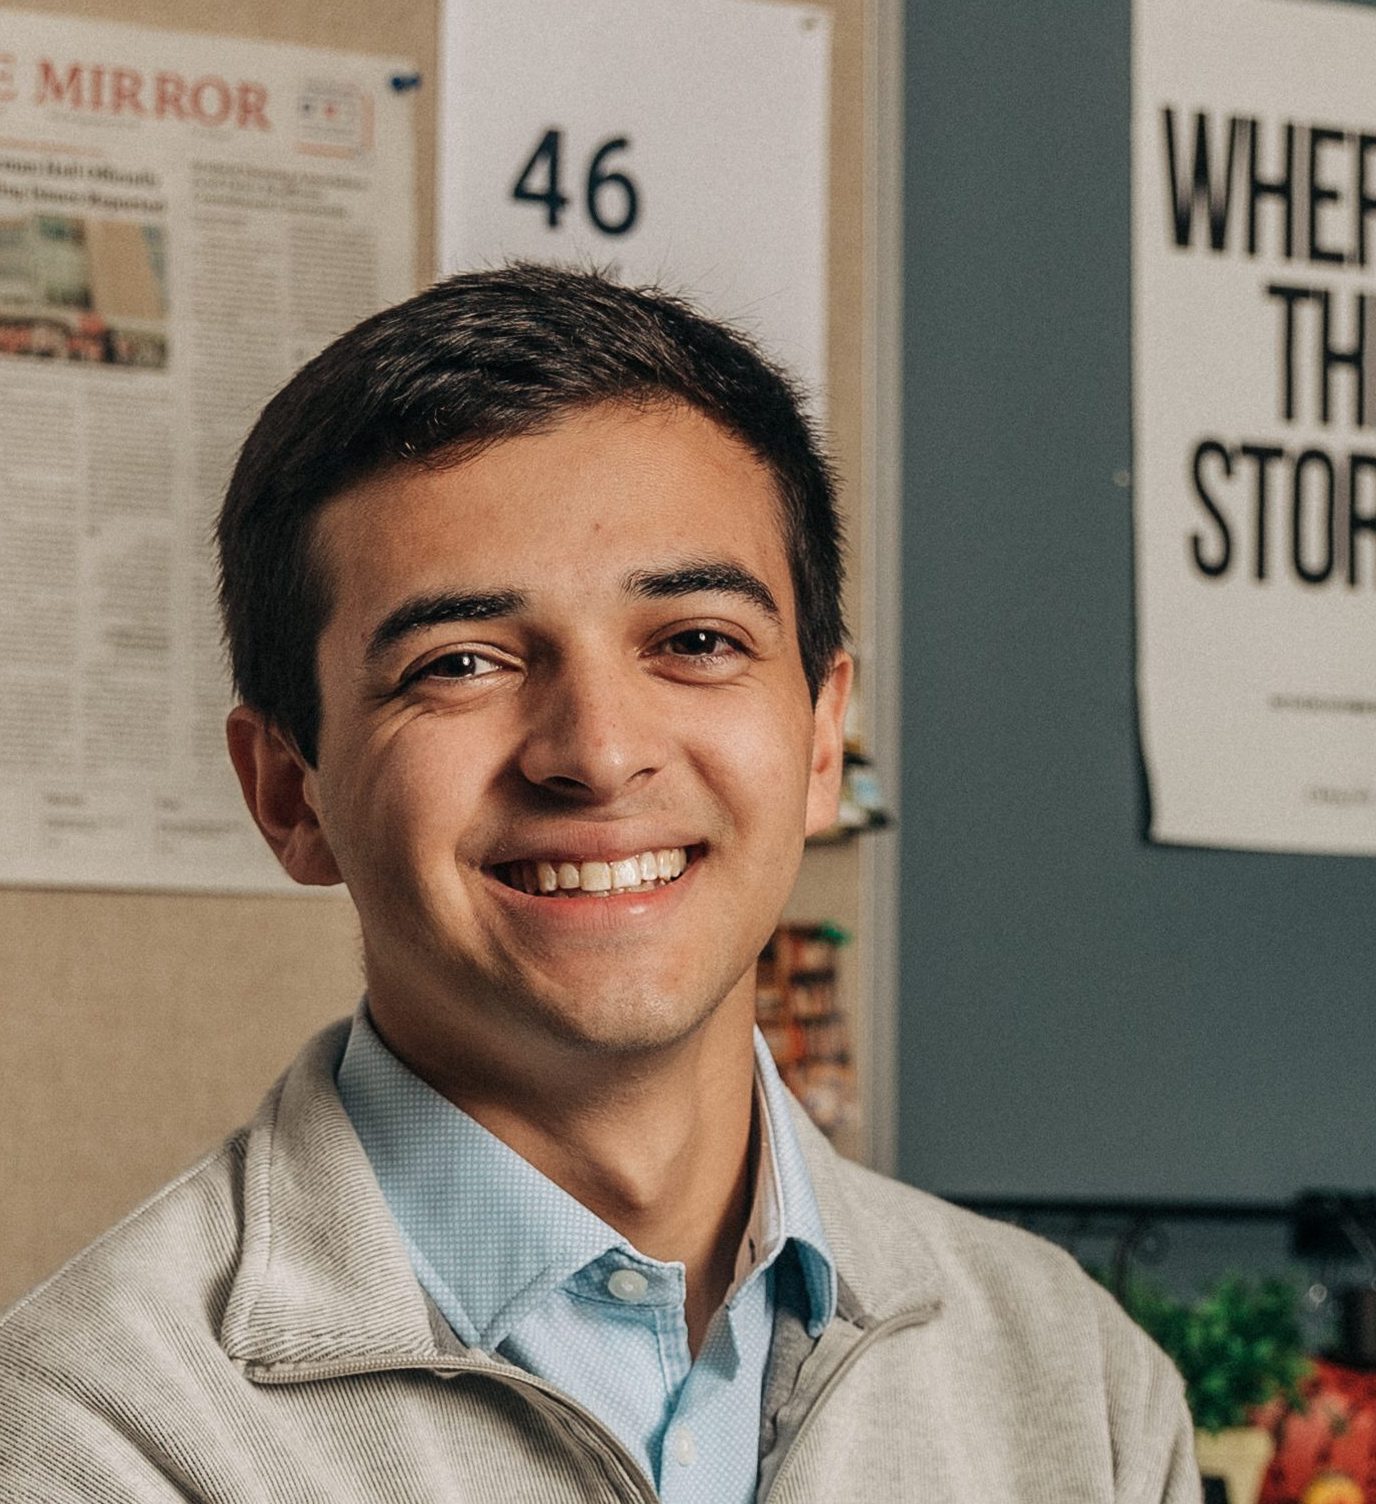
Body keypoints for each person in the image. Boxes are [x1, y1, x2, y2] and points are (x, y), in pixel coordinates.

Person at [0, 264, 1201, 1502]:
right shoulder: (98, 1432)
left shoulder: (1073, 1384)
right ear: (288, 794)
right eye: (459, 662)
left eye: (695, 641)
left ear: (818, 741)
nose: (595, 750)